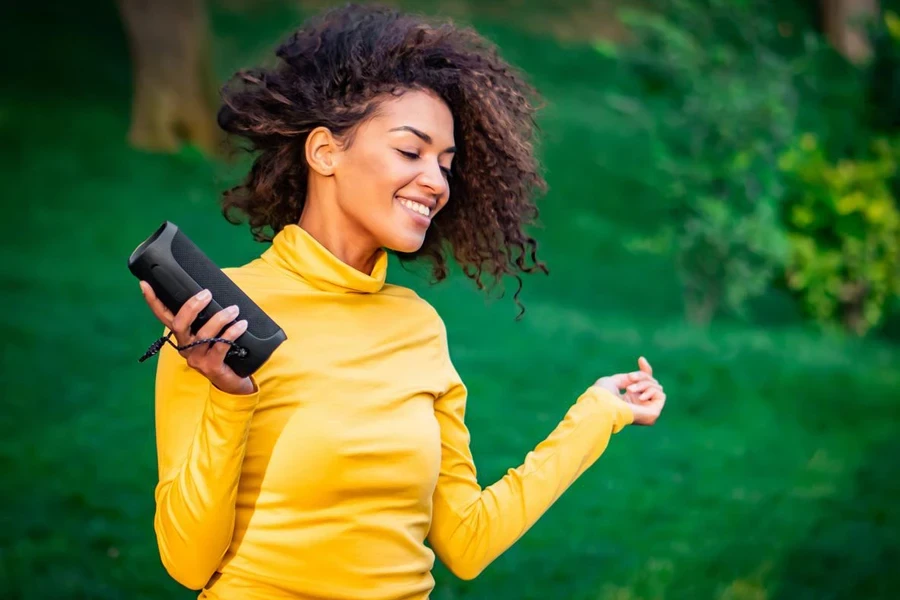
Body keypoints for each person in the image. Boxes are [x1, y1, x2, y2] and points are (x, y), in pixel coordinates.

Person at [138, 4, 667, 599]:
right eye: (411, 152)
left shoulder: (418, 328)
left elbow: (466, 542)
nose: (438, 182)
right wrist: (227, 399)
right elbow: (188, 562)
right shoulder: (218, 319)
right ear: (324, 152)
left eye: (446, 164)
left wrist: (597, 414)